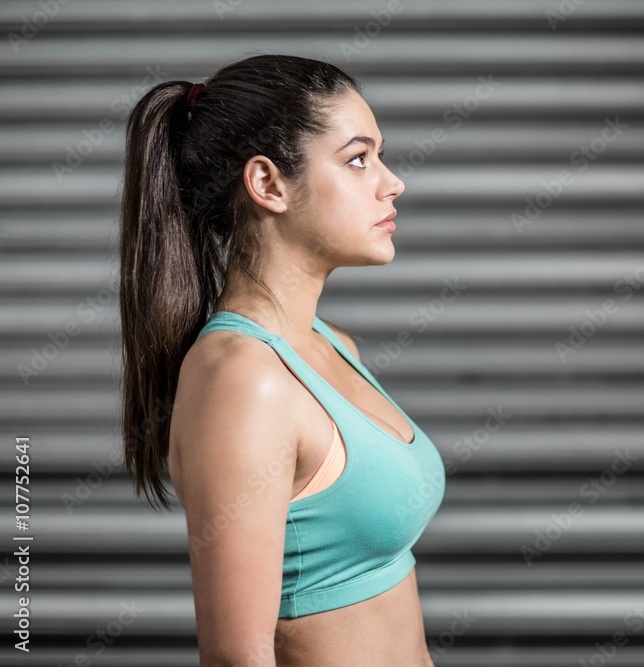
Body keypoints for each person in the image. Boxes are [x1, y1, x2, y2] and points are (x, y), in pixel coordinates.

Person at [117, 53, 446, 666]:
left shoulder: (331, 345)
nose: (392, 182)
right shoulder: (244, 380)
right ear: (268, 184)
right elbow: (236, 659)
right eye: (358, 159)